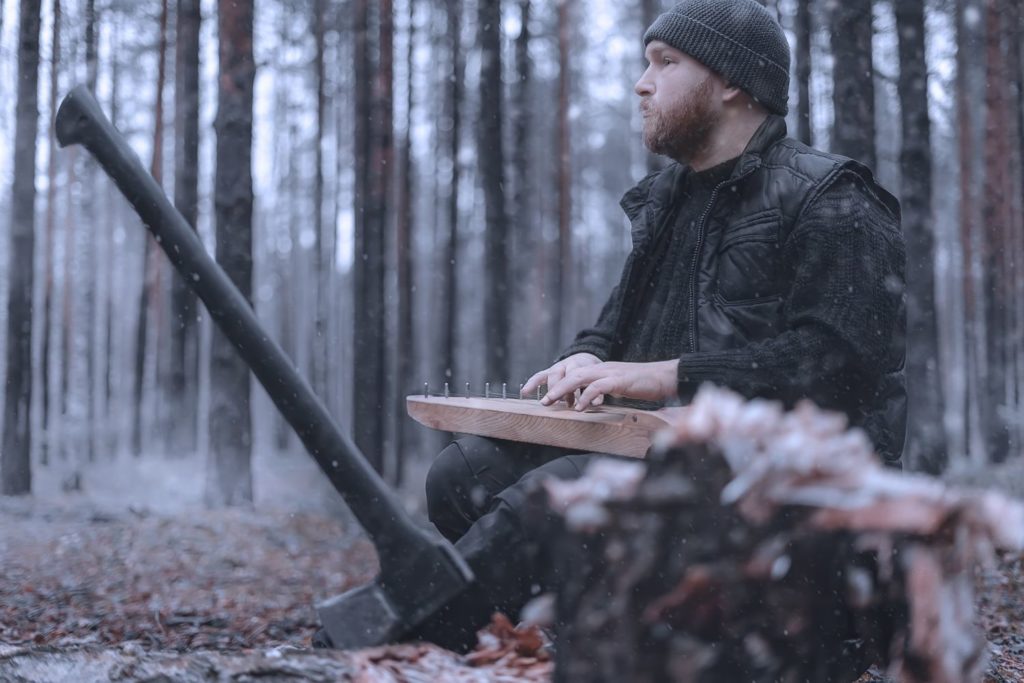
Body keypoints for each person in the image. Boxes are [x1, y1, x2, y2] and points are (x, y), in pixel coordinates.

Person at [420, 0, 906, 650]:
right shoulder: (669, 202)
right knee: (463, 478)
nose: (641, 82)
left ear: (731, 80)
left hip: (797, 512)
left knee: (550, 502)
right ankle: (583, 642)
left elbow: (838, 368)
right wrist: (586, 359)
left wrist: (668, 375)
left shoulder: (832, 199)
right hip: (671, 466)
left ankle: (392, 639)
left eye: (664, 63)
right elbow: (611, 335)